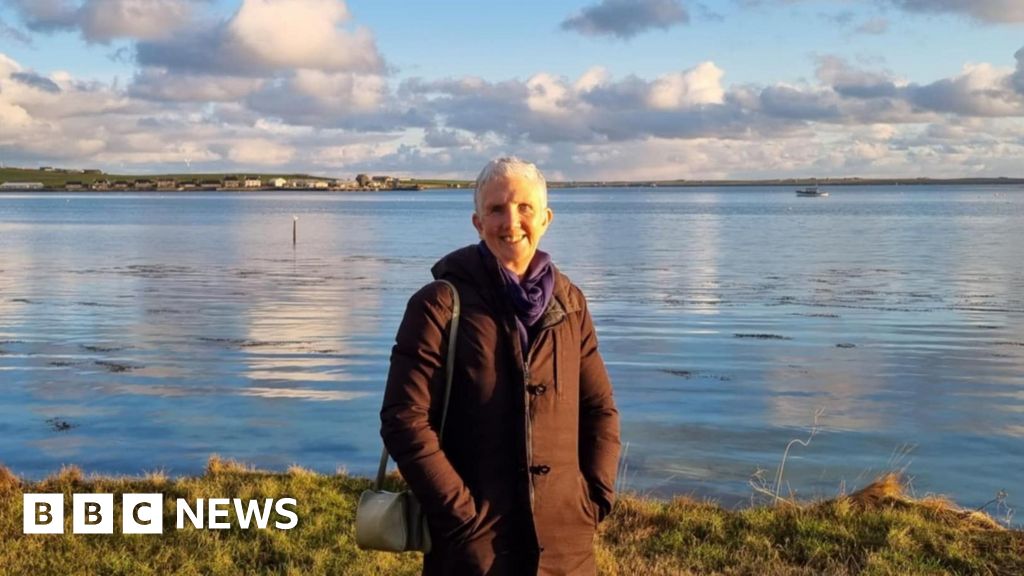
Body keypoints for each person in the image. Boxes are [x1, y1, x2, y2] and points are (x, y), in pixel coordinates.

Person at [381, 156, 620, 575]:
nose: (511, 222)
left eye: (525, 207)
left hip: (567, 547)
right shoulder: (439, 305)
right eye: (496, 209)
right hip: (473, 550)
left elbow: (599, 408)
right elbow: (404, 419)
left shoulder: (570, 303)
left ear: (545, 219)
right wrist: (461, 516)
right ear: (478, 223)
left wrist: (595, 498)